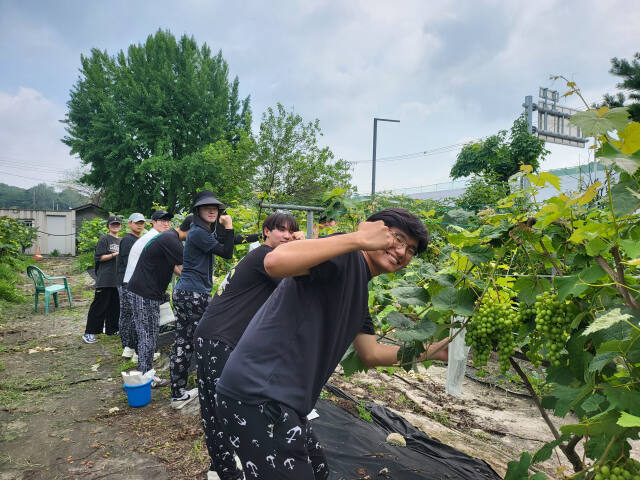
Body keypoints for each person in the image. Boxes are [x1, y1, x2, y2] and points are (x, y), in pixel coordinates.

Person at [215, 208, 449, 479]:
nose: (401, 252)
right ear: (372, 230)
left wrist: (433, 352)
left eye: (410, 249)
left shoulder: (359, 288)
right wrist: (357, 239)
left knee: (318, 471)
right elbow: (275, 261)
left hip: (282, 402)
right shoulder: (343, 256)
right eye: (397, 239)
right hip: (258, 396)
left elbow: (371, 353)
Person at [193, 212, 303, 480]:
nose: (287, 236)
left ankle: (221, 469)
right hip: (221, 339)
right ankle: (231, 469)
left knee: (216, 409)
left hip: (212, 336)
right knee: (231, 410)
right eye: (281, 230)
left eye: (292, 231)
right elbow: (299, 283)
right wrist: (307, 245)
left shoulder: (259, 256)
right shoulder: (266, 257)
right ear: (266, 231)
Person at [170, 191, 234, 410]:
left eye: (215, 208)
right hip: (192, 294)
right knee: (197, 341)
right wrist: (230, 224)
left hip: (188, 292)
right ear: (197, 211)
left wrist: (259, 239)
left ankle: (178, 392)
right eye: (207, 207)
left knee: (184, 341)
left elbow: (227, 242)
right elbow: (227, 252)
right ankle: (195, 392)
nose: (212, 210)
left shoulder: (203, 233)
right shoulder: (197, 232)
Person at [125, 216, 193, 386]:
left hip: (144, 291)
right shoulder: (172, 240)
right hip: (144, 293)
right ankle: (146, 376)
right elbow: (186, 267)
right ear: (192, 230)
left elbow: (176, 268)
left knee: (148, 333)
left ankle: (145, 373)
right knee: (147, 334)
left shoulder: (169, 237)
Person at [120, 210, 173, 361]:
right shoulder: (155, 238)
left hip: (132, 282)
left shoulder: (150, 236)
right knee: (145, 320)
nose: (165, 223)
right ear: (153, 223)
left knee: (137, 318)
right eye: (161, 220)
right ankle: (140, 355)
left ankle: (130, 348)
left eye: (168, 221)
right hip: (138, 283)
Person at [82, 216, 122, 344]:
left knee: (115, 306)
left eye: (117, 224)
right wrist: (115, 254)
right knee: (99, 306)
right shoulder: (104, 239)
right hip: (105, 278)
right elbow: (99, 257)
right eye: (113, 224)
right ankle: (89, 332)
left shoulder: (121, 240)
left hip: (117, 279)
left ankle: (112, 329)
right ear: (108, 226)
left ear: (120, 226)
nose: (115, 226)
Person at [116, 212, 146, 358]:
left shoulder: (137, 239)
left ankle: (129, 347)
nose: (140, 225)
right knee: (129, 314)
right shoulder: (128, 240)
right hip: (126, 282)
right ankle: (129, 346)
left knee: (128, 313)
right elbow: (131, 262)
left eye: (142, 222)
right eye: (137, 222)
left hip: (130, 281)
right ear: (129, 224)